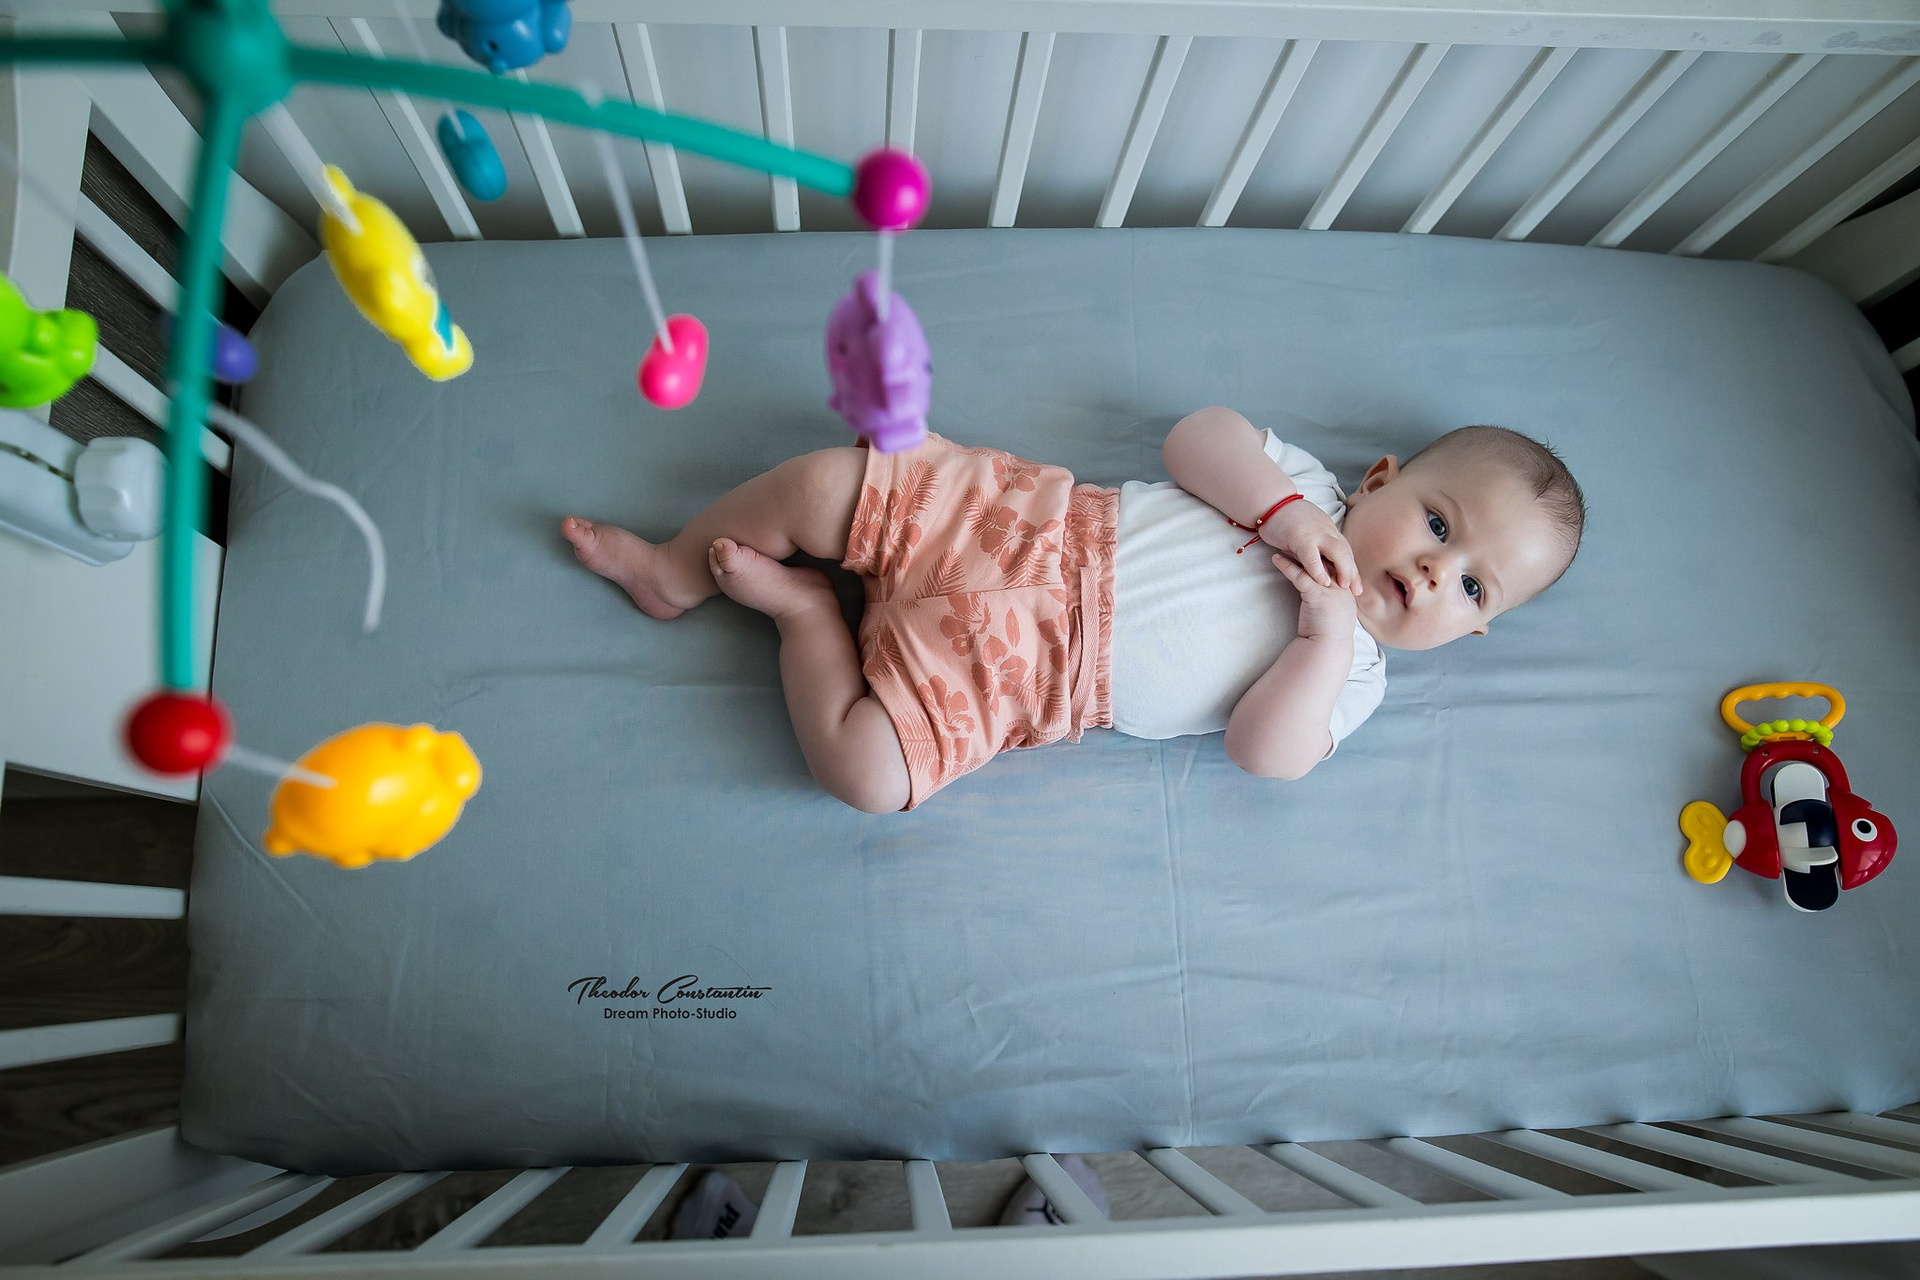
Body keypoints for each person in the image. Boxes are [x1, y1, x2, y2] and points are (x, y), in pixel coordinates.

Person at [561, 406, 1585, 813]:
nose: (1434, 570)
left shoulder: (1353, 675)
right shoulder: (1305, 487)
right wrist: (1278, 512)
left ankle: (805, 618)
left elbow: (1262, 751)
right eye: (1439, 524)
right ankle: (673, 571)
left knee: (868, 774)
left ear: (1474, 631)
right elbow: (1198, 437)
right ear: (1380, 479)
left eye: (1473, 586)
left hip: (1019, 677)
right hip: (1019, 527)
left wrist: (1323, 633)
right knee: (829, 480)